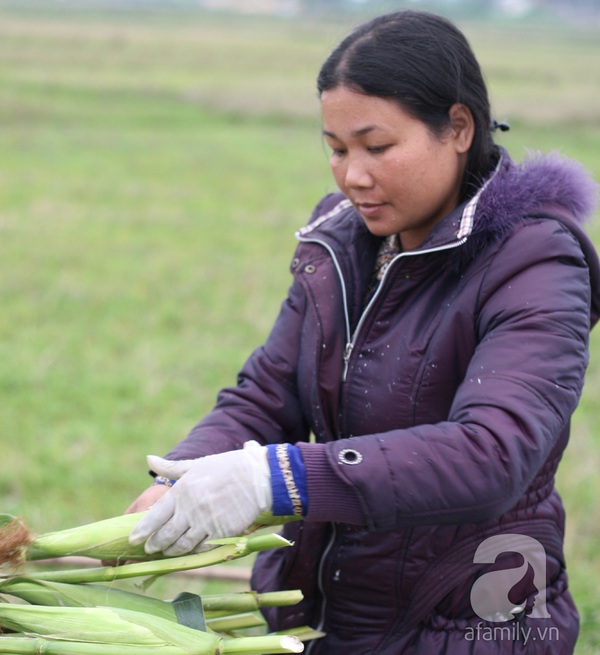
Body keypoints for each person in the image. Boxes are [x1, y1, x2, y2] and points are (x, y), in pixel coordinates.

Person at [127, 10, 599, 654]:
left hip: (468, 627)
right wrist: (183, 477)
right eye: (336, 148)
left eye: (377, 148)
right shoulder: (344, 238)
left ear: (458, 128)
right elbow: (270, 392)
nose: (353, 175)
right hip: (329, 614)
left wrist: (277, 479)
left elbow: (492, 454)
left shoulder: (535, 261)